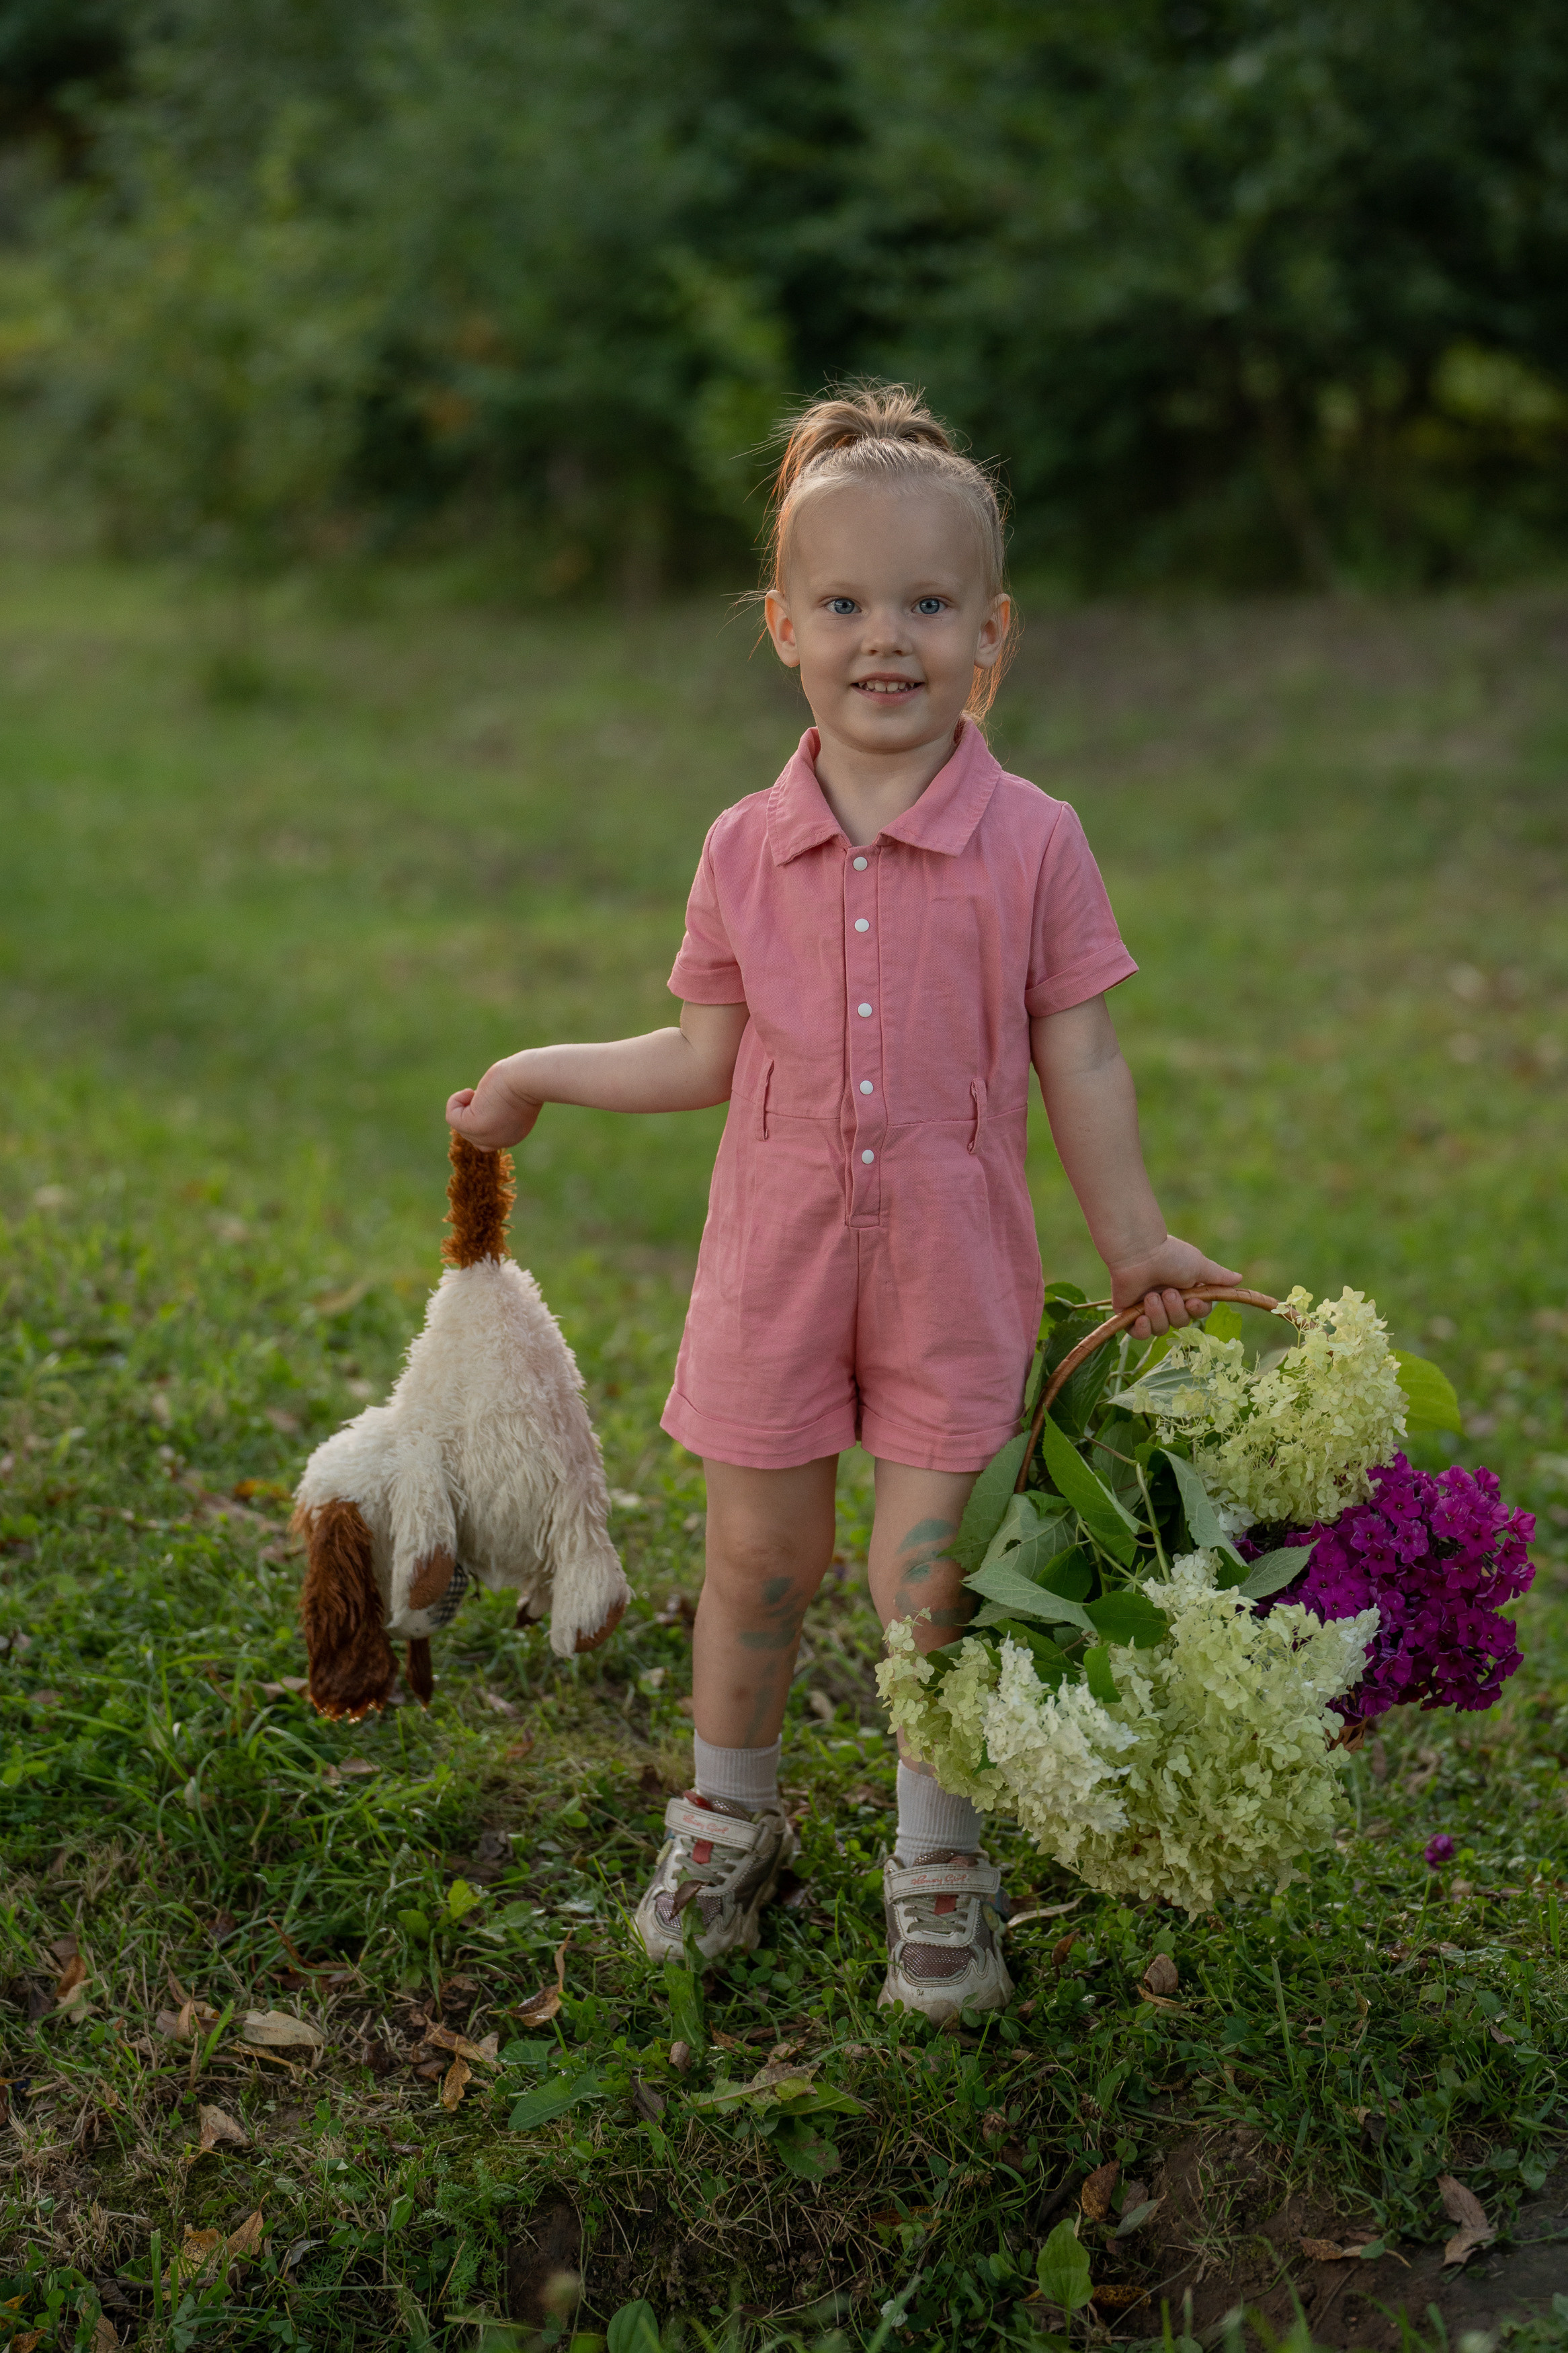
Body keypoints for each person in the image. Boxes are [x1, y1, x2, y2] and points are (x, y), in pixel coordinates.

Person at [447, 384, 1239, 2022]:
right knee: (757, 1561)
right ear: (785, 627)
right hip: (777, 1271)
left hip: (957, 1270)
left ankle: (938, 1860)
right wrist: (533, 1069)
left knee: (927, 1577)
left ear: (992, 635)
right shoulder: (746, 845)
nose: (891, 639)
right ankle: (730, 1814)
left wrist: (1135, 1234)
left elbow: (1079, 1052)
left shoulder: (1035, 842)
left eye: (931, 605)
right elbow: (697, 1054)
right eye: (849, 605)